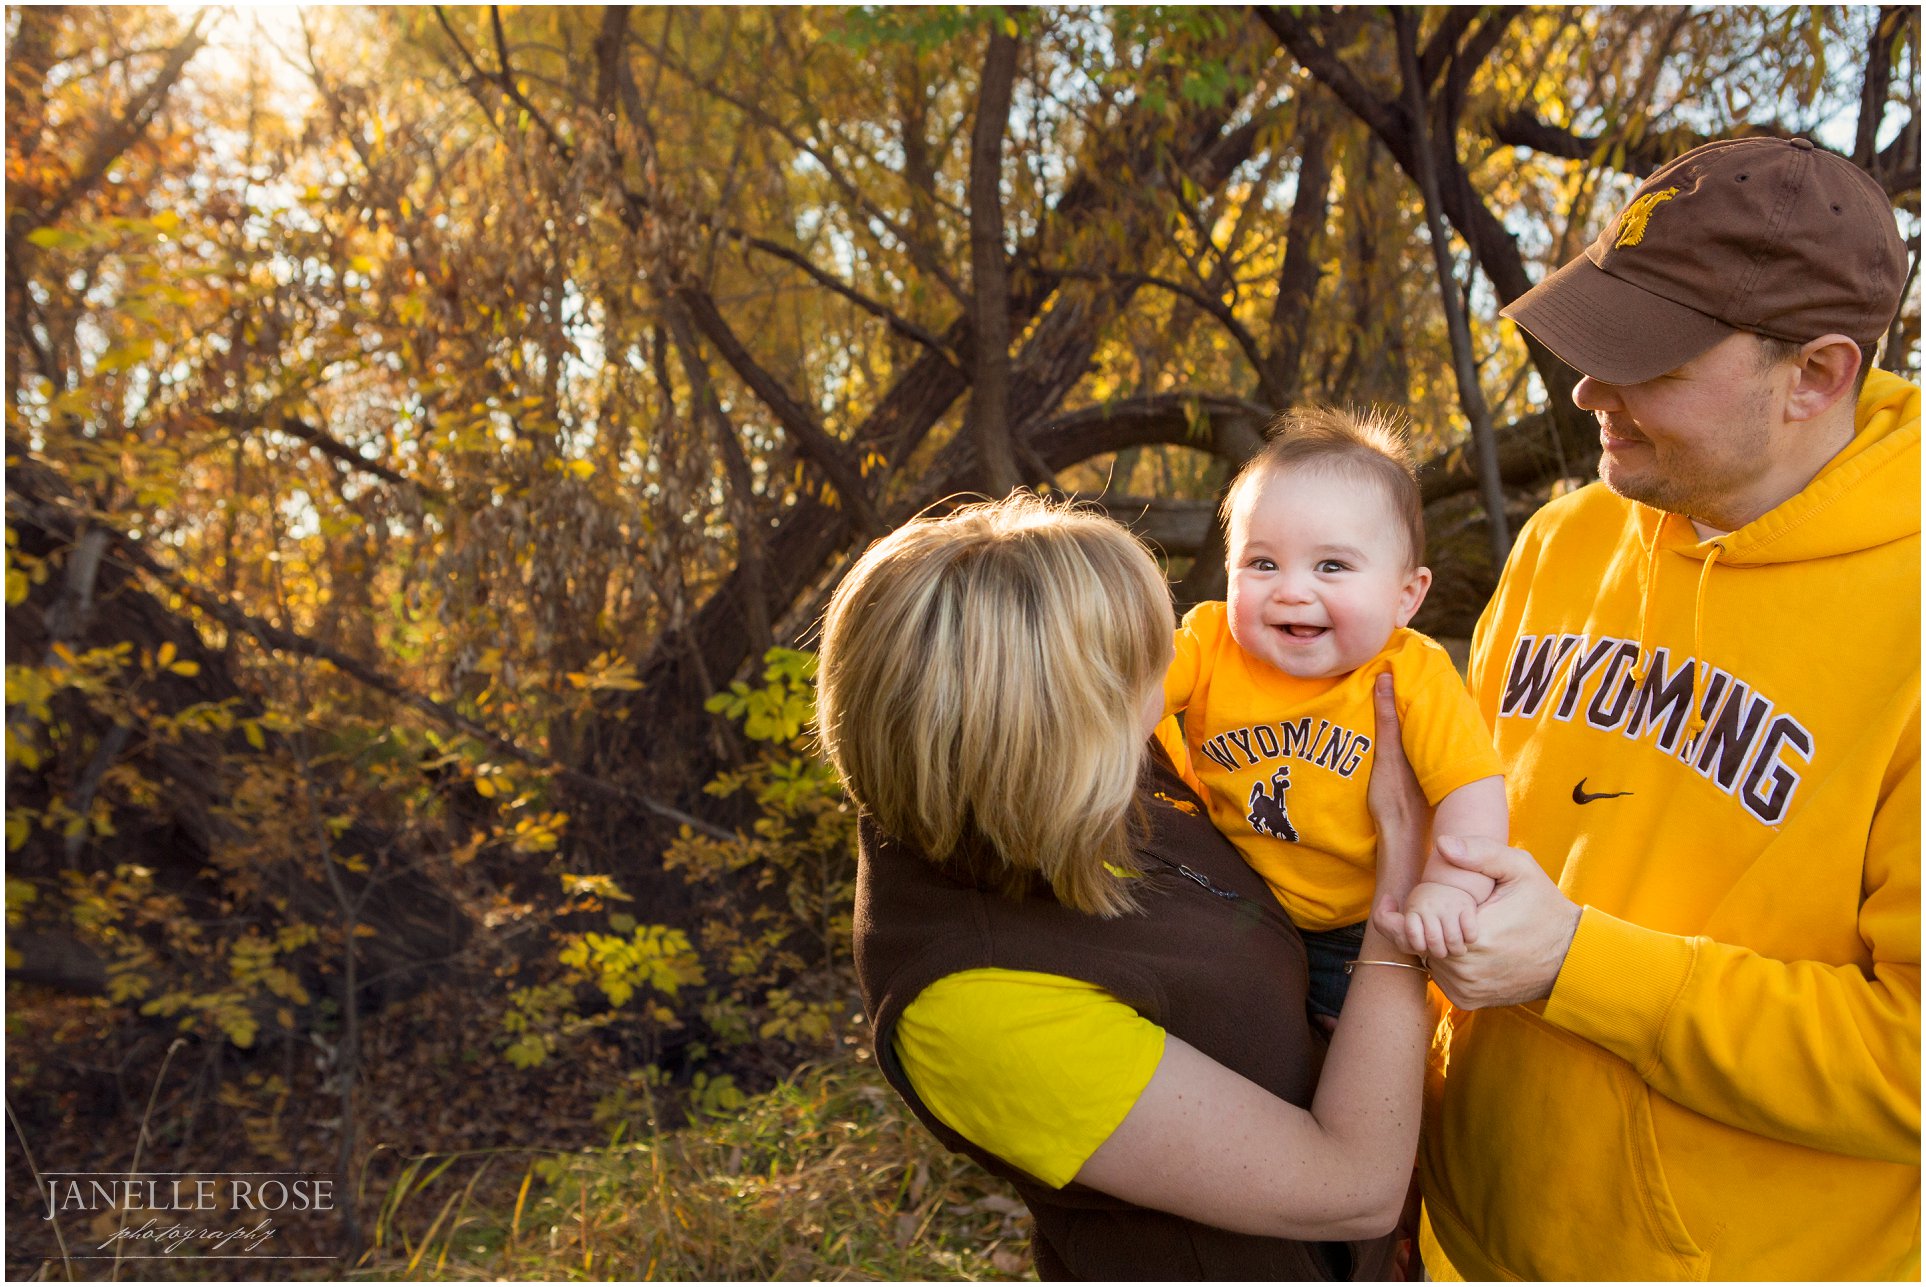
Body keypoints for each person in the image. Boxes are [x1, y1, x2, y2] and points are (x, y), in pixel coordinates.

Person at [1394, 136, 1920, 1280]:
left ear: (1819, 375)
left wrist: (1578, 965)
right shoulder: (1564, 541)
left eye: (1654, 362)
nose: (1588, 392)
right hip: (1459, 1235)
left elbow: (1910, 1062)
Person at [819, 494, 1434, 1279]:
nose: (1175, 670)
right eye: (1145, 662)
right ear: (1045, 736)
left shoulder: (1075, 778)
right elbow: (1353, 1187)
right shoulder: (977, 1000)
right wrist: (1397, 892)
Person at [1165, 407, 1508, 1021]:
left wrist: (1452, 887)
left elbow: (1471, 789)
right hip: (1231, 899)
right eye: (1262, 563)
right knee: (1231, 1034)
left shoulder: (1411, 672)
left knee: (1349, 1048)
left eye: (1332, 566)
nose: (1293, 590)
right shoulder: (1209, 639)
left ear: (1407, 596)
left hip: (1355, 929)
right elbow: (1127, 697)